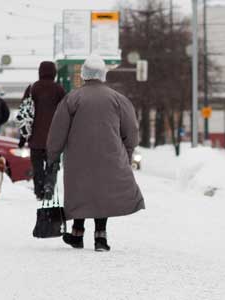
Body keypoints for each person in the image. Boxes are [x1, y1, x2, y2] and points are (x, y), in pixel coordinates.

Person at [46, 55, 145, 252]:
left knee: (81, 190)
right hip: (110, 155)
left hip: (78, 157)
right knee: (103, 192)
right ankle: (101, 237)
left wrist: (53, 155)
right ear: (103, 74)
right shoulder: (118, 99)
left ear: (84, 75)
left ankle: (77, 234)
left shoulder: (72, 98)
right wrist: (127, 151)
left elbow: (58, 130)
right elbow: (131, 130)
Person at [20, 61, 66, 200]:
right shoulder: (59, 90)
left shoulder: (32, 88)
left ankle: (39, 190)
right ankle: (49, 186)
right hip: (54, 138)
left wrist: (22, 138)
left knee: (37, 167)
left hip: (35, 138)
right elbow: (65, 113)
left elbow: (25, 115)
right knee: (52, 165)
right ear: (54, 72)